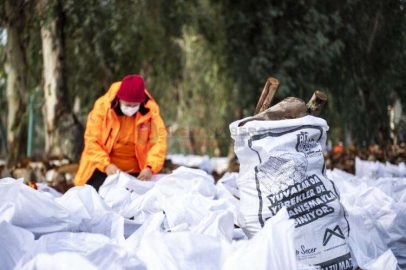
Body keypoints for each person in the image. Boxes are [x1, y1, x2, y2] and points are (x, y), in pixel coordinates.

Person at [74, 75, 167, 190]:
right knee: (93, 199)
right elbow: (91, 142)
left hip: (137, 173)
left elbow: (159, 143)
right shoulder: (102, 109)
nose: (131, 109)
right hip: (102, 168)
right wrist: (106, 165)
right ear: (119, 99)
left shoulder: (151, 113)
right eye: (128, 105)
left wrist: (150, 167)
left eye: (135, 106)